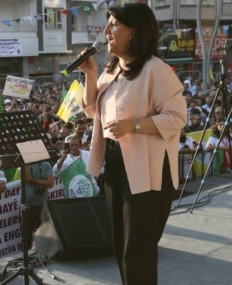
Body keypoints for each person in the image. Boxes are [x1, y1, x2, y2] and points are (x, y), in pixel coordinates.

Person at [78, 3, 187, 284]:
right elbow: (92, 111)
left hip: (148, 170)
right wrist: (90, 75)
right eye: (108, 23)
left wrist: (134, 126)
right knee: (120, 245)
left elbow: (177, 117)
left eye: (114, 24)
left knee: (137, 251)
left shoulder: (155, 69)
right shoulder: (112, 69)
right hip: (115, 162)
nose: (106, 31)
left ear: (134, 32)